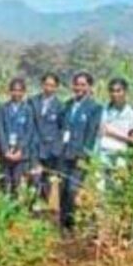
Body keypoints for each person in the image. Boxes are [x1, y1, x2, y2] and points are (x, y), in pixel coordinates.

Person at [58, 72, 102, 233]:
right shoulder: (67, 104)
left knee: (72, 189)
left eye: (83, 85)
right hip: (64, 153)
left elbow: (91, 134)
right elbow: (61, 126)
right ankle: (62, 225)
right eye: (77, 84)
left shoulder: (94, 108)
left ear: (89, 87)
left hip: (79, 157)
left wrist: (84, 155)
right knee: (62, 189)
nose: (79, 88)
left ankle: (71, 224)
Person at [0, 78, 38, 195]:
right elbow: (0, 130)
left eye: (19, 91)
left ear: (24, 92)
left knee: (17, 183)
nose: (17, 93)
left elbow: (29, 132)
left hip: (21, 155)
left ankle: (16, 205)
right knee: (4, 183)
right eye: (14, 90)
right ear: (9, 91)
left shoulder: (28, 110)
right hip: (5, 154)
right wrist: (5, 150)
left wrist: (20, 150)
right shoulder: (3, 108)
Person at [28, 72, 64, 201]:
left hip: (51, 151)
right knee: (33, 180)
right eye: (46, 84)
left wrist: (57, 149)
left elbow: (61, 129)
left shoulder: (60, 106)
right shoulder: (32, 102)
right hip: (34, 148)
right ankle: (31, 206)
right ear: (42, 85)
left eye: (52, 85)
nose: (49, 88)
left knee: (48, 182)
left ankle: (45, 207)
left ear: (56, 87)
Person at [96, 78, 133, 163]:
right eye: (112, 91)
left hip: (120, 156)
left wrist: (113, 134)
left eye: (118, 91)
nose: (115, 94)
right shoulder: (103, 110)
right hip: (102, 153)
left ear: (125, 92)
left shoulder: (131, 114)